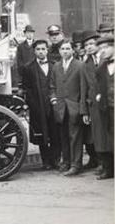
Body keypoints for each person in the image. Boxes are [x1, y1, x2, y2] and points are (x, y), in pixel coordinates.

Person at [19, 39, 59, 170]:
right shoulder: (28, 68)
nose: (41, 52)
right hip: (38, 105)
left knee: (55, 132)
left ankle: (56, 160)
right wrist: (32, 103)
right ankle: (46, 161)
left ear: (47, 50)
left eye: (43, 49)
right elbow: (26, 88)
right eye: (38, 49)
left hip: (54, 103)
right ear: (34, 51)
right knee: (42, 133)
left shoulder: (55, 65)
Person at [49, 39, 85, 176]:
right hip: (60, 107)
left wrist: (81, 107)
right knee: (63, 136)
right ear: (59, 51)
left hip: (74, 106)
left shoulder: (80, 66)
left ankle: (76, 165)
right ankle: (66, 162)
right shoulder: (56, 66)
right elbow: (52, 86)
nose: (65, 51)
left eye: (68, 49)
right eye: (63, 49)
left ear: (73, 51)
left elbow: (83, 88)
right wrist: (53, 100)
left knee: (75, 136)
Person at [89, 35, 114, 179]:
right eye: (101, 48)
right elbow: (98, 86)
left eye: (106, 47)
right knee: (109, 139)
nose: (103, 51)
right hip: (108, 108)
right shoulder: (101, 68)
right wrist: (99, 96)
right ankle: (110, 169)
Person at [79, 30, 100, 171]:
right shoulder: (86, 64)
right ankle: (101, 163)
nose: (89, 47)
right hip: (93, 106)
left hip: (108, 104)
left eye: (92, 43)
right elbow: (83, 89)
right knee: (96, 136)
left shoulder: (107, 59)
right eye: (86, 45)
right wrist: (84, 111)